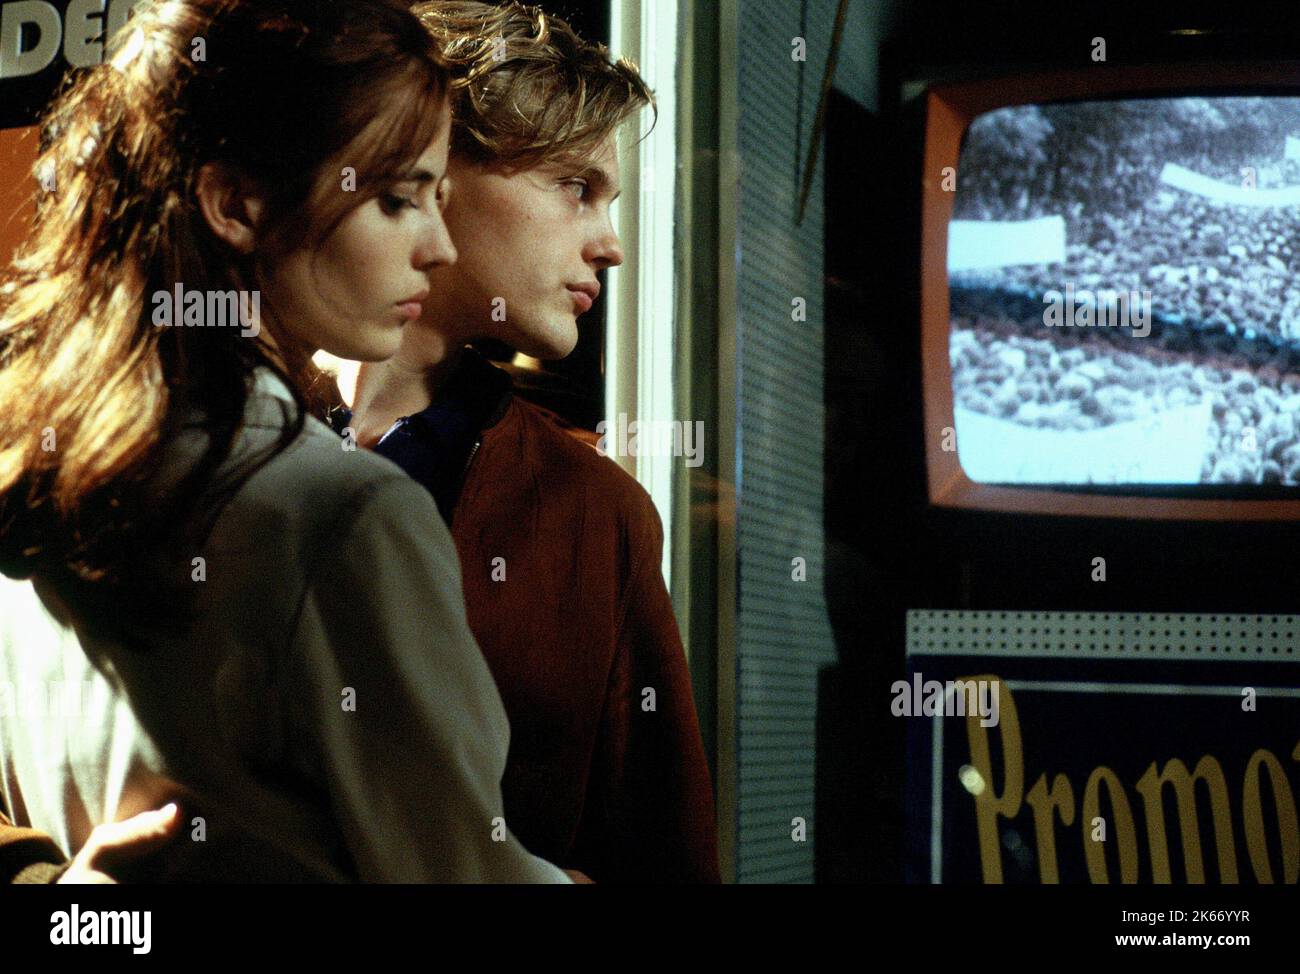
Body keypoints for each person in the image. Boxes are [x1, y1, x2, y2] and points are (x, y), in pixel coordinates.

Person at [0, 0, 568, 882]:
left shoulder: (35, 476)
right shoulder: (344, 515)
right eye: (394, 199)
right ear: (235, 204)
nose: (441, 248)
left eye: (438, 201)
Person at [334, 1, 720, 883]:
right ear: (433, 171)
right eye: (574, 187)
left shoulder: (597, 513)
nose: (611, 245)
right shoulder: (193, 431)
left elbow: (667, 858)